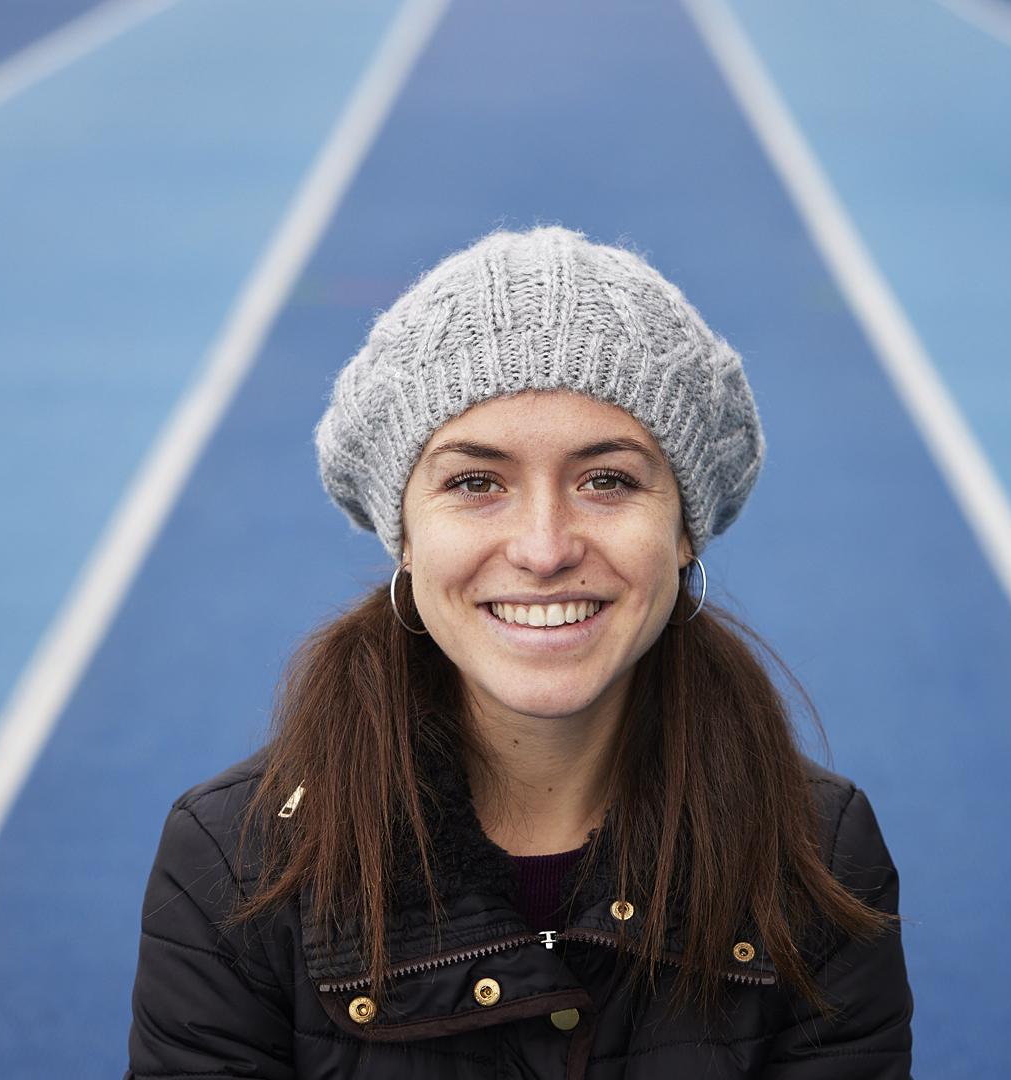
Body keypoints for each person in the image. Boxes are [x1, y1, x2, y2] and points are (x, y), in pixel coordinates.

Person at [124, 225, 913, 1079]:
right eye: (475, 482)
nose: (543, 548)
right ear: (405, 537)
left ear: (686, 530)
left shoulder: (816, 855)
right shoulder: (238, 863)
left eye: (607, 479)